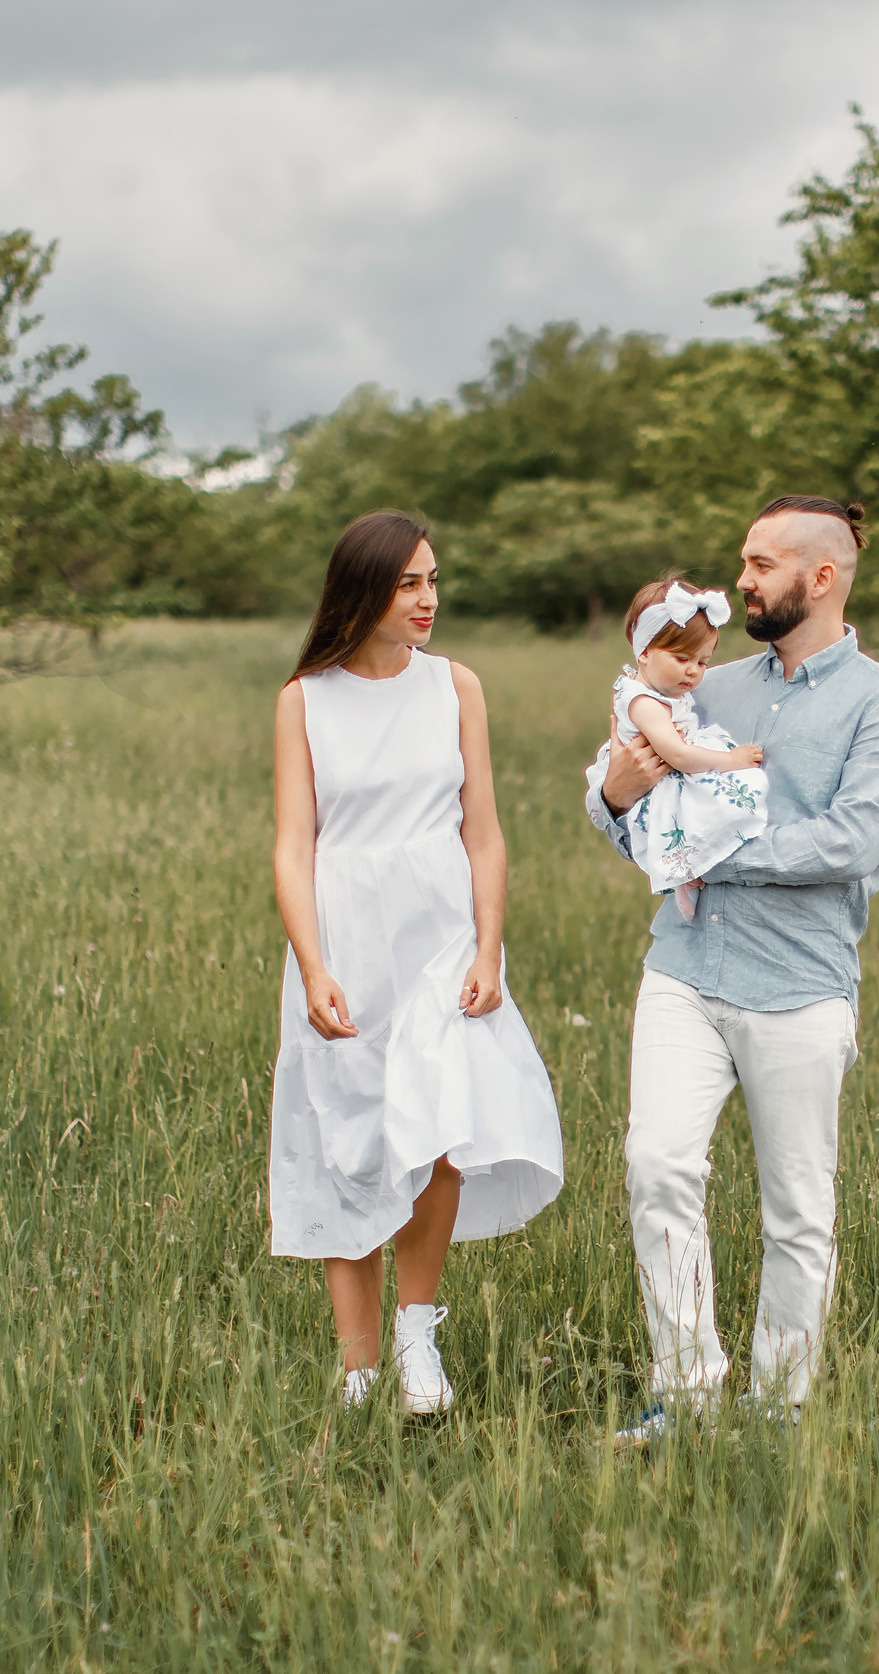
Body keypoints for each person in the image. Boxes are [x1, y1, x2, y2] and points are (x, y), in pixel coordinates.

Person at [583, 496, 879, 1439]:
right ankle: (687, 1395)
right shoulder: (708, 685)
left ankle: (775, 1414)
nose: (741, 580)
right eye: (743, 559)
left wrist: (702, 852)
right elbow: (625, 799)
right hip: (685, 970)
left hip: (803, 986)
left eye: (762, 563)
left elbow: (849, 843)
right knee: (656, 1165)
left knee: (798, 1210)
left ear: (820, 579)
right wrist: (616, 795)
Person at [271, 509, 563, 1416]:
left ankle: (417, 1338)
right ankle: (357, 1372)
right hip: (345, 936)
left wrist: (488, 946)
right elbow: (293, 847)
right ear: (363, 590)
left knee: (439, 1137)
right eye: (408, 583)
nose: (428, 598)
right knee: (348, 1142)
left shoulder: (456, 688)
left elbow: (483, 833)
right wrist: (313, 965)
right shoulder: (304, 699)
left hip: (440, 935)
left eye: (434, 579)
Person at [608, 576, 768, 921]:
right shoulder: (645, 702)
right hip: (668, 776)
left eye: (703, 661)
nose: (694, 671)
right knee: (706, 804)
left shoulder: (663, 693)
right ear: (645, 651)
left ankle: (694, 870)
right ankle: (689, 872)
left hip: (676, 769)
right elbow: (677, 755)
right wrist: (731, 760)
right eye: (682, 658)